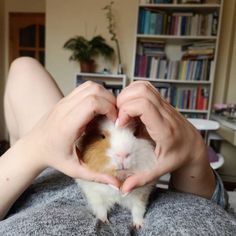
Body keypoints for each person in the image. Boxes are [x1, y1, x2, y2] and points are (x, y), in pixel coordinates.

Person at [0, 57, 235, 235]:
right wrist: (194, 156)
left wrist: (29, 152)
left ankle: (20, 151)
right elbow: (213, 208)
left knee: (24, 67)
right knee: (24, 66)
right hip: (68, 162)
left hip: (41, 176)